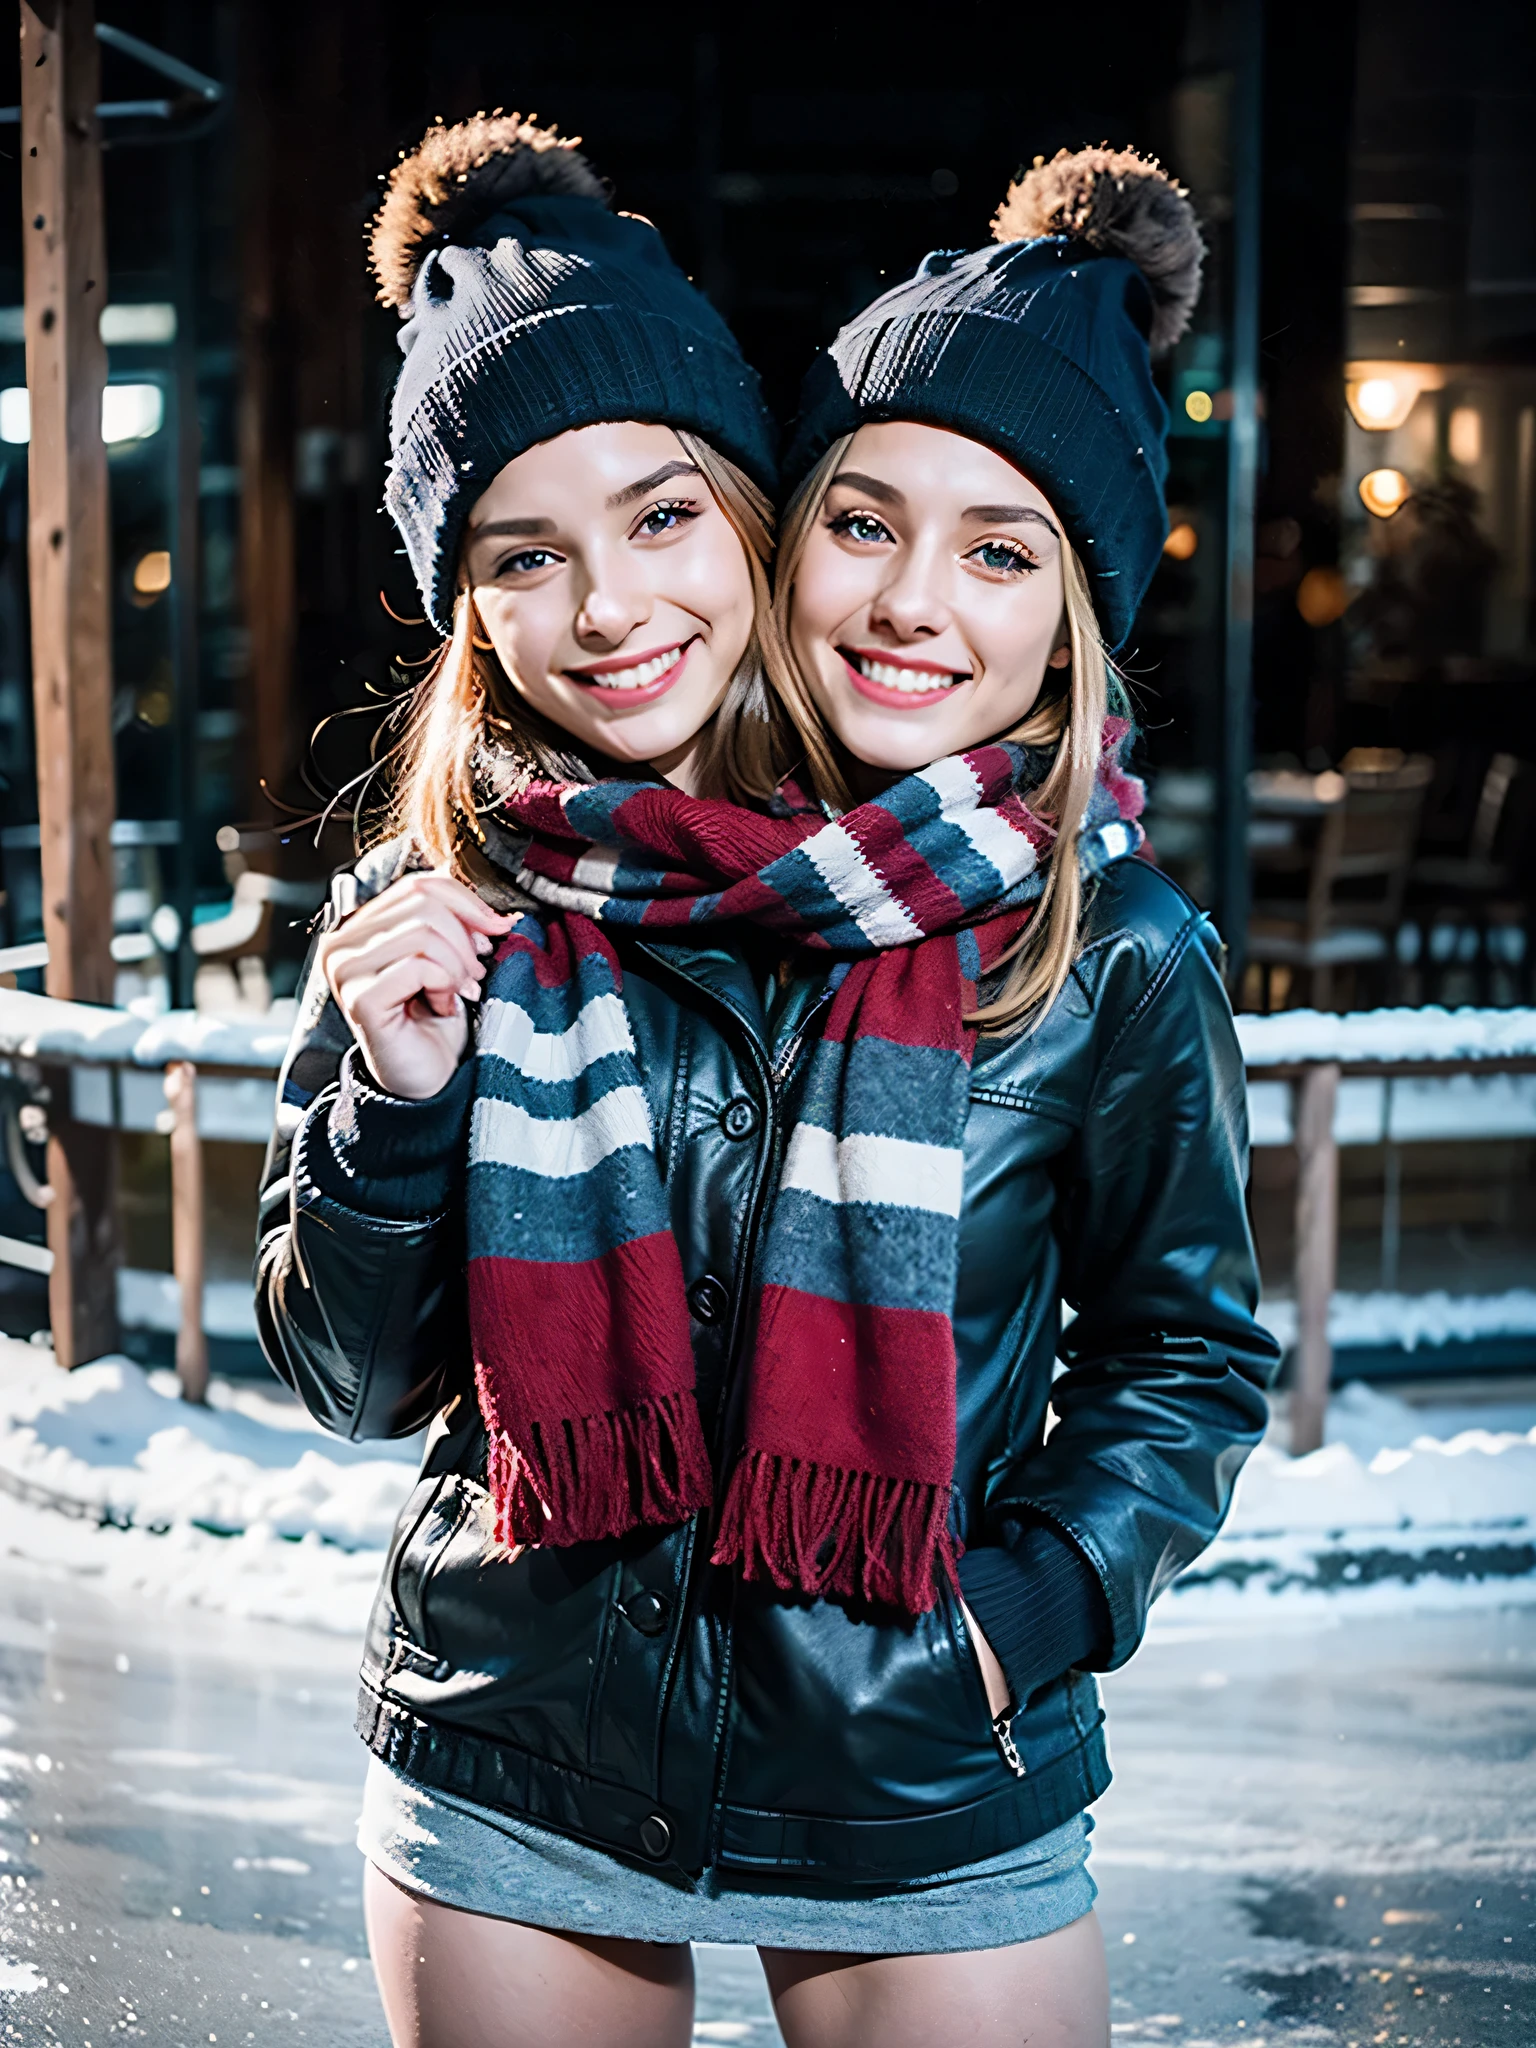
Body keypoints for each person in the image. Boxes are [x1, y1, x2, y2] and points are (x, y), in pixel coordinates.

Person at [258, 129, 1279, 2048]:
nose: (608, 608)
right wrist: (395, 1110)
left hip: (918, 1779)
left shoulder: (1102, 941)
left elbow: (1189, 1358)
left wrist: (1025, 1617)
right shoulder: (445, 903)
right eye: (521, 557)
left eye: (999, 554)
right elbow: (345, 1381)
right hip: (519, 1762)